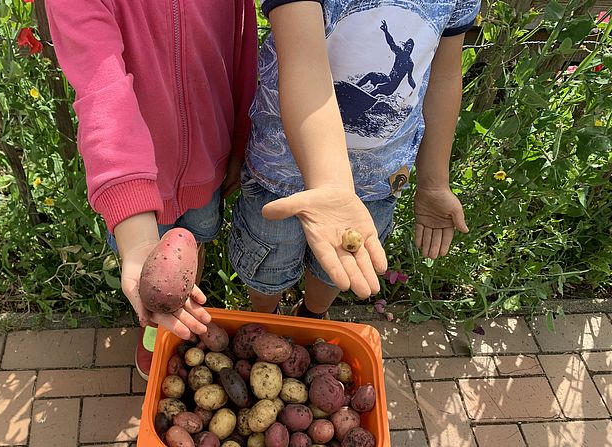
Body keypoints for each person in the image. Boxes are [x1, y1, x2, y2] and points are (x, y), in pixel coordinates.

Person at [47, 0, 257, 379]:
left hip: (208, 158)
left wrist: (240, 138)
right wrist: (137, 238)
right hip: (140, 186)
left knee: (193, 243)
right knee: (150, 268)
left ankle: (181, 301)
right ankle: (153, 328)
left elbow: (242, 45)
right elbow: (102, 93)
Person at [229, 0, 477, 317]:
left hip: (378, 179)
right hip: (280, 172)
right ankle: (265, 323)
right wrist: (334, 186)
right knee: (268, 269)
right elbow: (304, 65)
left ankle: (312, 316)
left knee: (337, 270)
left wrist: (434, 183)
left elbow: (444, 77)